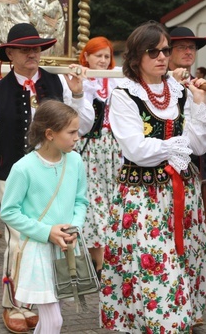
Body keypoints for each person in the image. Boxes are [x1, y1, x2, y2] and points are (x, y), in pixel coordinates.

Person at [0, 22, 93, 334]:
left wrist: (78, 94)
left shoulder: (58, 83)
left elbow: (84, 125)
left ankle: (45, 301)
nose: (32, 53)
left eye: (36, 48)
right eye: (24, 49)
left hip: (54, 175)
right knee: (19, 243)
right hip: (11, 175)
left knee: (51, 238)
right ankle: (15, 303)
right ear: (10, 53)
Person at [100, 21, 206, 333]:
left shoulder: (182, 93)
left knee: (185, 259)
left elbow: (200, 144)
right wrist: (177, 146)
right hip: (143, 197)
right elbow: (137, 149)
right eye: (152, 51)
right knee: (155, 266)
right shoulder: (125, 94)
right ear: (136, 56)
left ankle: (178, 320)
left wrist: (197, 104)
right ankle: (158, 324)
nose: (162, 57)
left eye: (165, 50)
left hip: (183, 192)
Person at [0, 100, 88, 334]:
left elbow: (81, 201)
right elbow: (8, 211)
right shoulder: (24, 168)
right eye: (71, 132)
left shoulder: (76, 161)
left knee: (50, 318)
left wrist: (74, 228)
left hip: (67, 248)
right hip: (38, 250)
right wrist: (46, 231)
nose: (77, 137)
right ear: (50, 134)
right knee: (54, 320)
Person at [167, 25, 206, 323]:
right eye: (181, 46)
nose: (188, 52)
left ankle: (189, 303)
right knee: (164, 243)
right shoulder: (150, 86)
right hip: (154, 173)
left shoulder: (201, 88)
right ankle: (167, 305)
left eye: (192, 47)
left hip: (188, 173)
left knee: (191, 242)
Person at [77, 36, 121, 278]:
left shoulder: (117, 82)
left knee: (112, 200)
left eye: (107, 56)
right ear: (87, 57)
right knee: (93, 202)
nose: (103, 61)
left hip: (113, 149)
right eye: (98, 56)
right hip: (90, 148)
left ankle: (108, 257)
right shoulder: (82, 81)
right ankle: (101, 260)